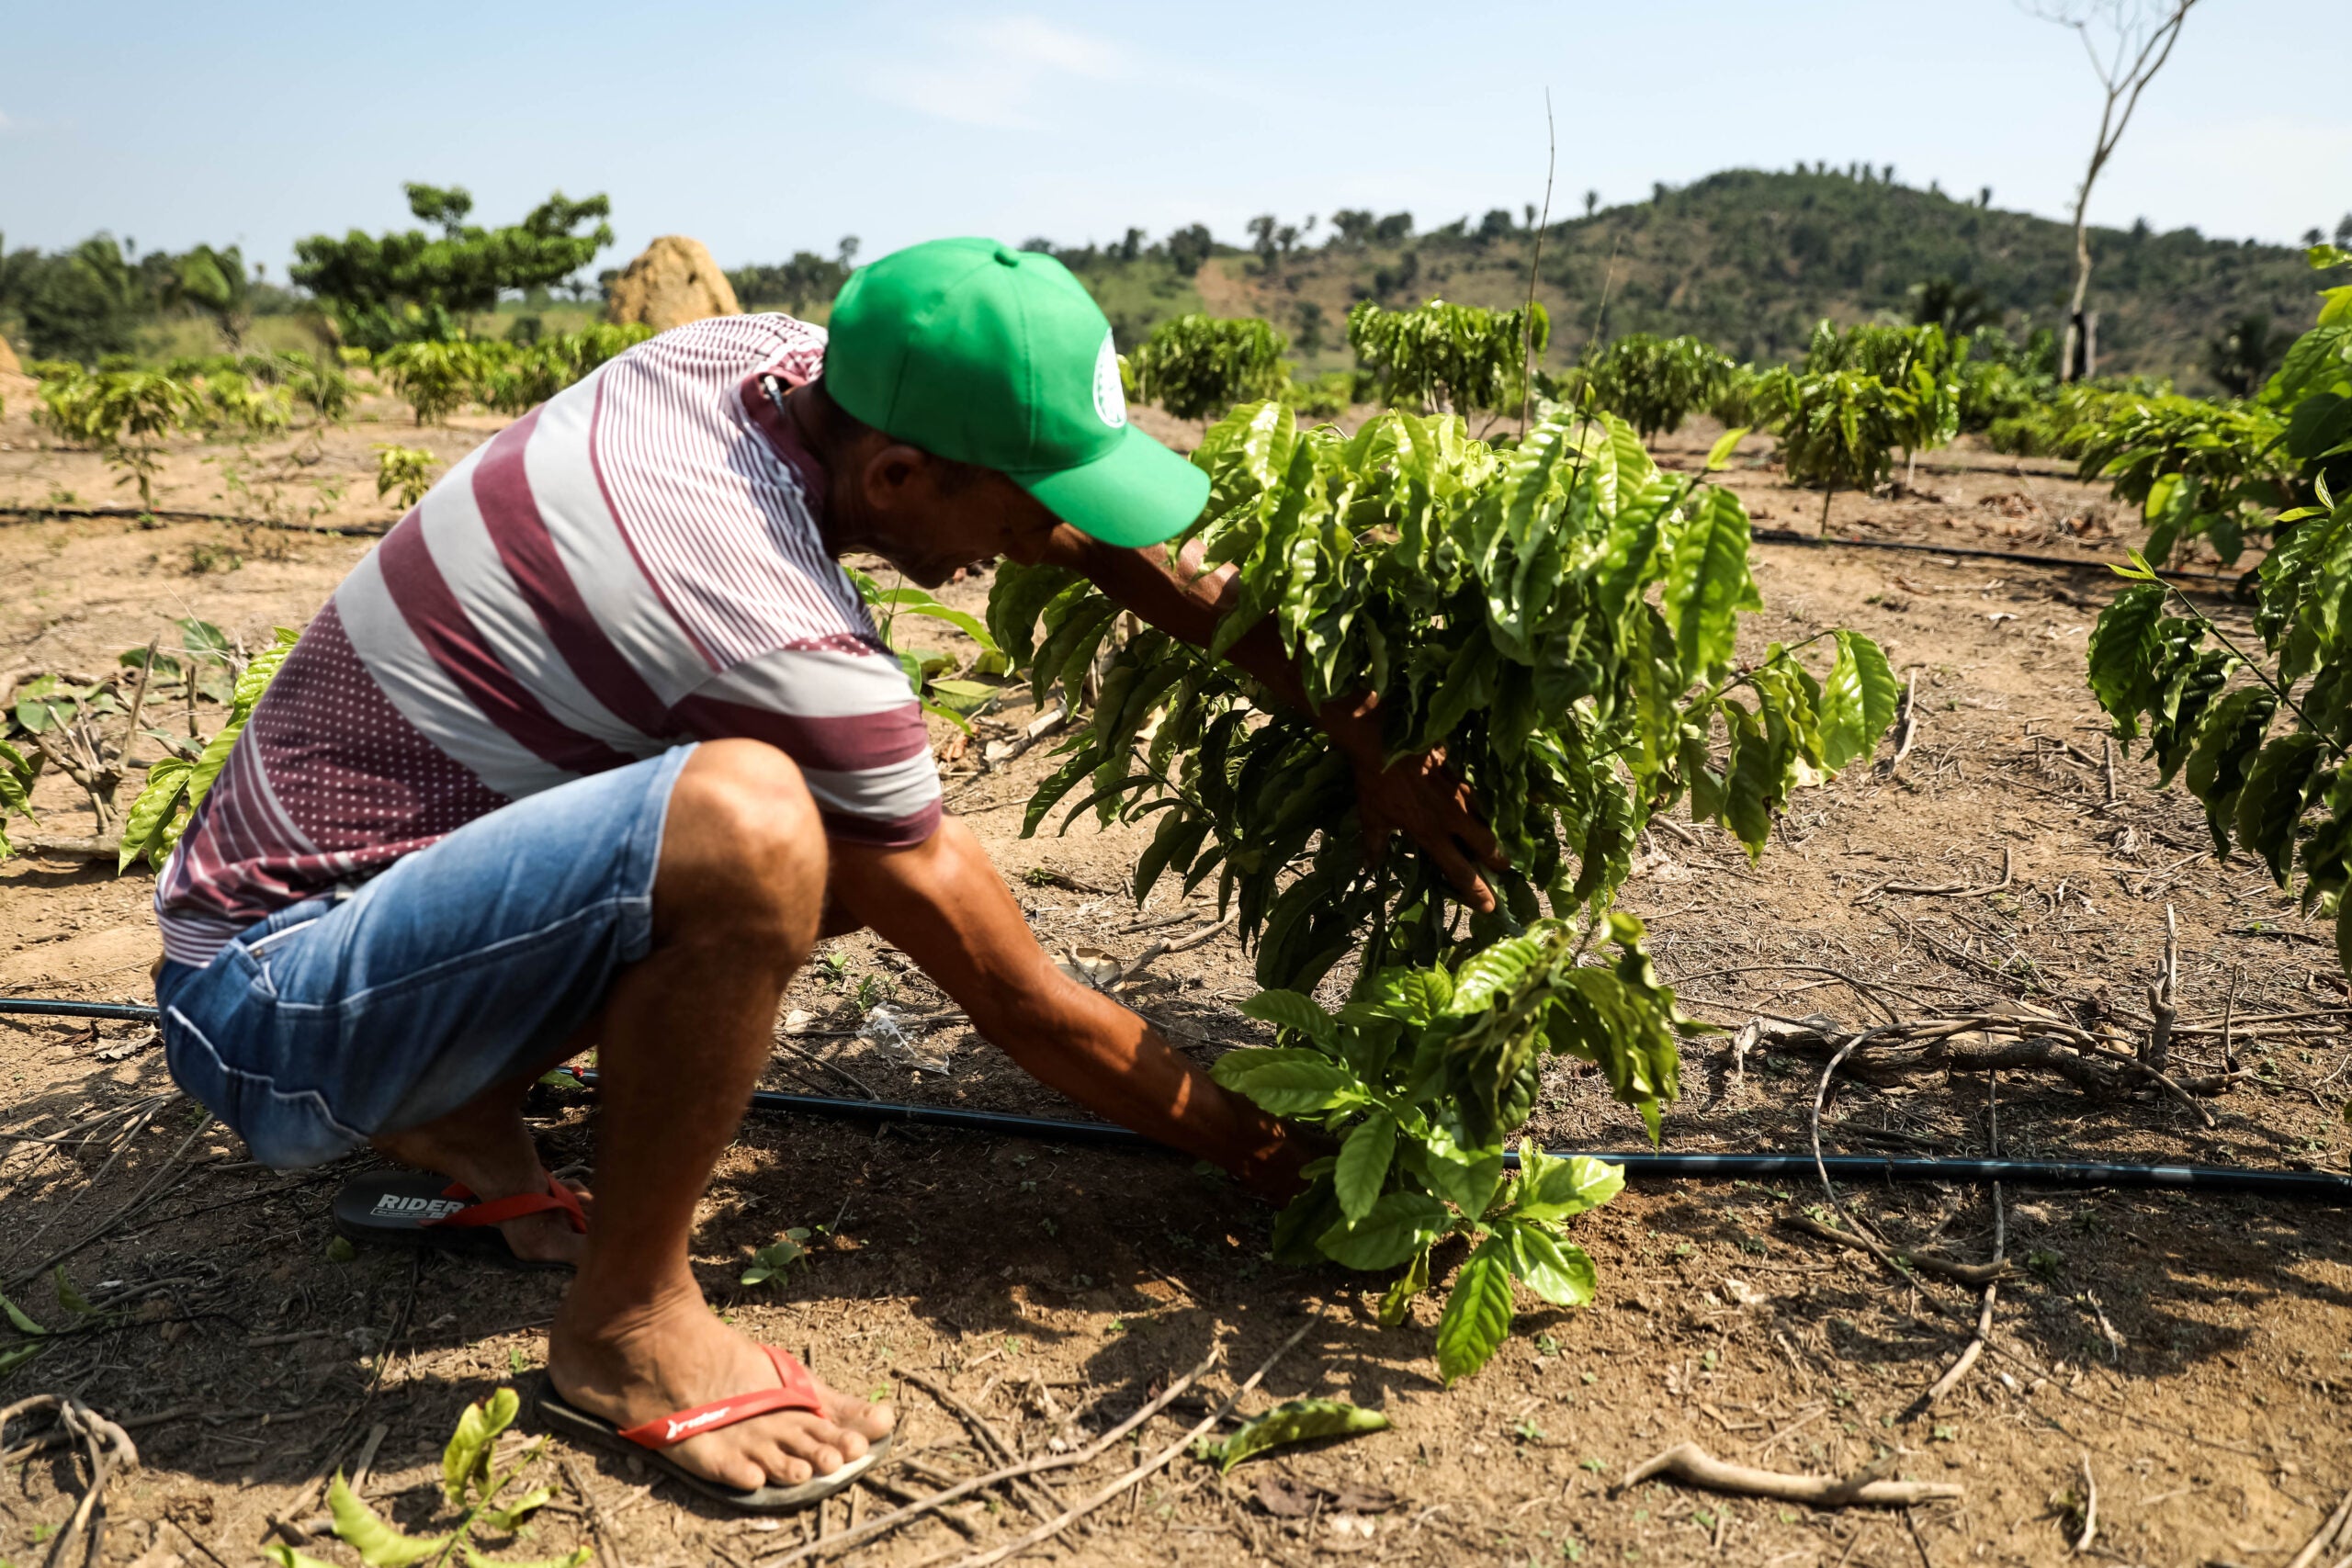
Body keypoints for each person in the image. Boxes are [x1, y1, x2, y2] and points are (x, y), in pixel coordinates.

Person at [150, 238, 1501, 1510]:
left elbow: (1086, 533)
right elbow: (1013, 994)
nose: (1033, 546)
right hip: (271, 1006)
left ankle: (455, 1112)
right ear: (899, 478)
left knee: (838, 843)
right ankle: (629, 1324)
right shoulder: (767, 619)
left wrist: (1356, 724)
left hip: (365, 913)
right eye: (1020, 513)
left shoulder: (759, 360)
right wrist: (1293, 1162)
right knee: (762, 830)